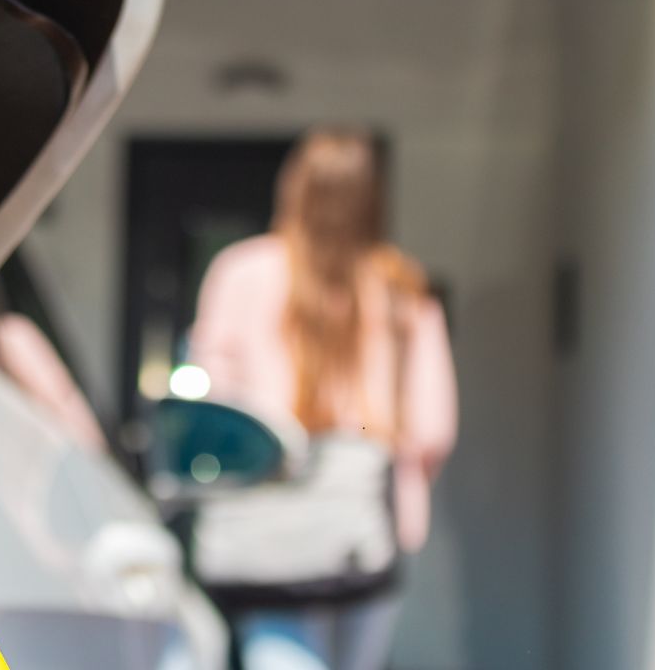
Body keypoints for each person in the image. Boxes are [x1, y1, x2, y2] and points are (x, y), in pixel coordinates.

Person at [187, 129, 457, 670]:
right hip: (366, 529)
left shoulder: (240, 271)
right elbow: (432, 430)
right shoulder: (402, 285)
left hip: (266, 517)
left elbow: (212, 401)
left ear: (295, 188)